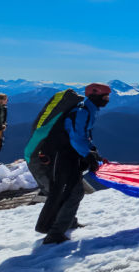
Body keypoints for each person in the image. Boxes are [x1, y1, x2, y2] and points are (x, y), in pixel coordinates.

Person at [35, 83, 111, 245]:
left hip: (69, 155)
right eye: (105, 97)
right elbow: (76, 138)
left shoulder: (87, 110)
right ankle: (54, 234)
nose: (107, 100)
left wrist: (93, 153)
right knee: (70, 192)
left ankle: (68, 222)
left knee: (71, 191)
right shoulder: (82, 111)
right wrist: (88, 155)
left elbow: (84, 136)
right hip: (60, 156)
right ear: (95, 95)